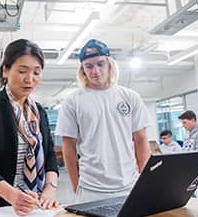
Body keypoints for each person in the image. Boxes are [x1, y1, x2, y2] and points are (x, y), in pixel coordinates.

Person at [55, 39, 151, 203]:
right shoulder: (73, 101)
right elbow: (68, 146)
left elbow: (141, 140)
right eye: (89, 66)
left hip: (130, 185)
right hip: (91, 188)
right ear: (83, 70)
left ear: (110, 65)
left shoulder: (129, 97)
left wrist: (145, 181)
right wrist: (76, 186)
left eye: (100, 64)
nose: (95, 71)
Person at [0, 39, 59, 216]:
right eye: (22, 71)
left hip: (36, 203)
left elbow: (49, 154)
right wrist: (13, 196)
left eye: (36, 72)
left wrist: (50, 188)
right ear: (5, 70)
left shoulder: (39, 111)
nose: (30, 79)